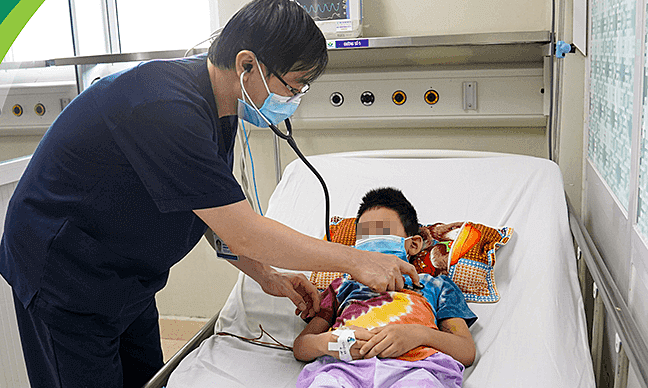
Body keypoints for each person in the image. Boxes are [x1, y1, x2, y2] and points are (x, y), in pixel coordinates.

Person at [0, 1, 419, 387]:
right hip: (65, 276)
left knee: (147, 378)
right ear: (247, 65)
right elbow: (245, 232)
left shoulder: (220, 107)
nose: (294, 99)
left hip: (126, 278)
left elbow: (208, 210)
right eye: (294, 86)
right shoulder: (166, 109)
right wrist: (357, 260)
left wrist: (266, 276)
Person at [293, 188, 476, 388]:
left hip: (416, 368)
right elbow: (301, 346)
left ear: (413, 244)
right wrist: (332, 342)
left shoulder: (437, 286)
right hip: (344, 369)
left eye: (381, 233)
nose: (372, 243)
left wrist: (418, 335)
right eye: (364, 238)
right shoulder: (342, 286)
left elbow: (465, 350)